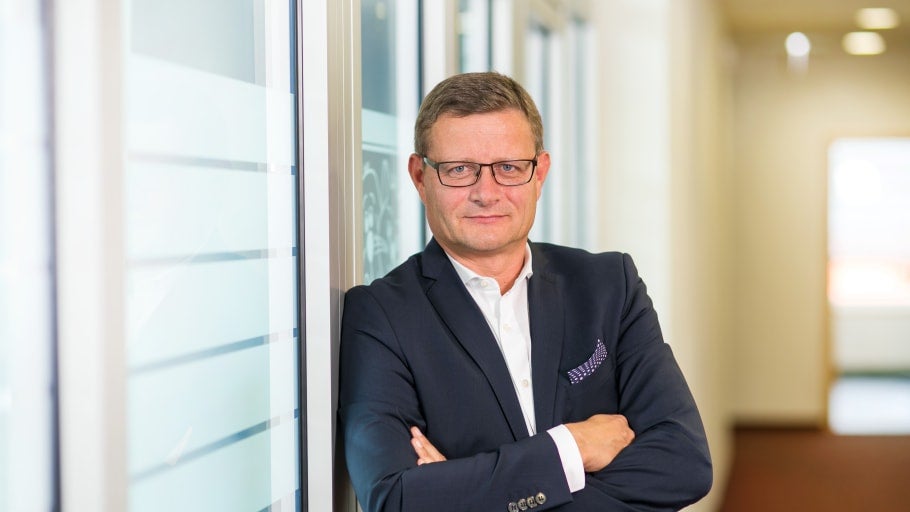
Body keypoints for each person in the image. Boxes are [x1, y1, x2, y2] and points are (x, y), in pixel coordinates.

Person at [338, 71, 712, 512]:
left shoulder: (610, 285)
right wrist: (570, 447)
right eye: (459, 170)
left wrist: (467, 489)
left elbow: (684, 463)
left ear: (540, 173)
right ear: (420, 177)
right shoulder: (380, 315)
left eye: (509, 169)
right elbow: (395, 498)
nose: (486, 193)